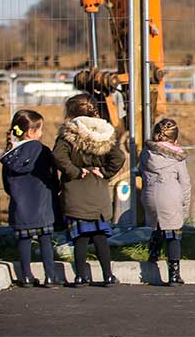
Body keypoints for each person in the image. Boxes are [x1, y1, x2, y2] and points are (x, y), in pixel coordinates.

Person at [53, 94, 126, 287]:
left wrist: (75, 171)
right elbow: (118, 157)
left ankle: (80, 276)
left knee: (80, 238)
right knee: (100, 236)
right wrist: (105, 172)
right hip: (98, 194)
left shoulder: (69, 134)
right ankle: (108, 275)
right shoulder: (105, 133)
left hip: (76, 193)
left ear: (71, 113)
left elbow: (58, 156)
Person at [0, 110, 60, 288]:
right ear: (31, 132)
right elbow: (52, 177)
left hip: (20, 208)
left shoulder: (9, 155)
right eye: (40, 129)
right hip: (43, 205)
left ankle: (26, 276)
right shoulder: (42, 151)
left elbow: (7, 185)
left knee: (24, 242)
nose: (41, 133)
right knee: (45, 241)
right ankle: (50, 277)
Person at [140, 118, 192, 286]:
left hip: (150, 195)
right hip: (171, 195)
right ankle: (174, 273)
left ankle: (153, 252)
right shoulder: (178, 157)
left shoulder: (146, 153)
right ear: (175, 139)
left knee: (158, 223)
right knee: (173, 234)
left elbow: (141, 172)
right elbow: (185, 183)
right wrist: (185, 208)